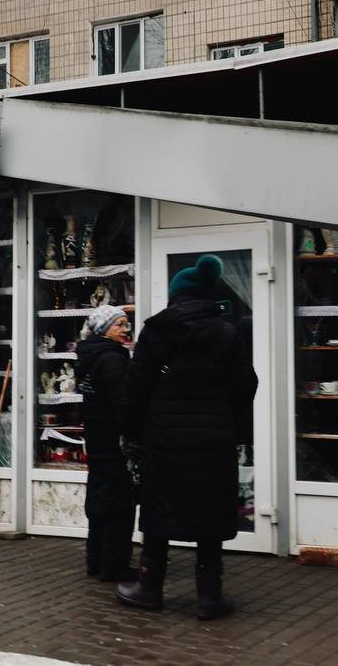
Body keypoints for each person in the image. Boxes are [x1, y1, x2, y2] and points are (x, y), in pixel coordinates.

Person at [116, 254, 257, 620]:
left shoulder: (156, 331)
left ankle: (149, 587)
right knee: (210, 511)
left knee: (158, 509)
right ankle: (210, 596)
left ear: (176, 295)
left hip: (162, 436)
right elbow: (246, 385)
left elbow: (135, 389)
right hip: (214, 439)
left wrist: (130, 432)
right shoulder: (228, 332)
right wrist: (233, 427)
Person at [75, 304, 136, 582]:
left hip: (97, 440)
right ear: (103, 329)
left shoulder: (91, 356)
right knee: (119, 505)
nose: (126, 329)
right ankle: (114, 565)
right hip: (114, 442)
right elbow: (123, 404)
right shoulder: (112, 359)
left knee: (100, 502)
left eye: (127, 324)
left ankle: (95, 561)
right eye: (119, 324)